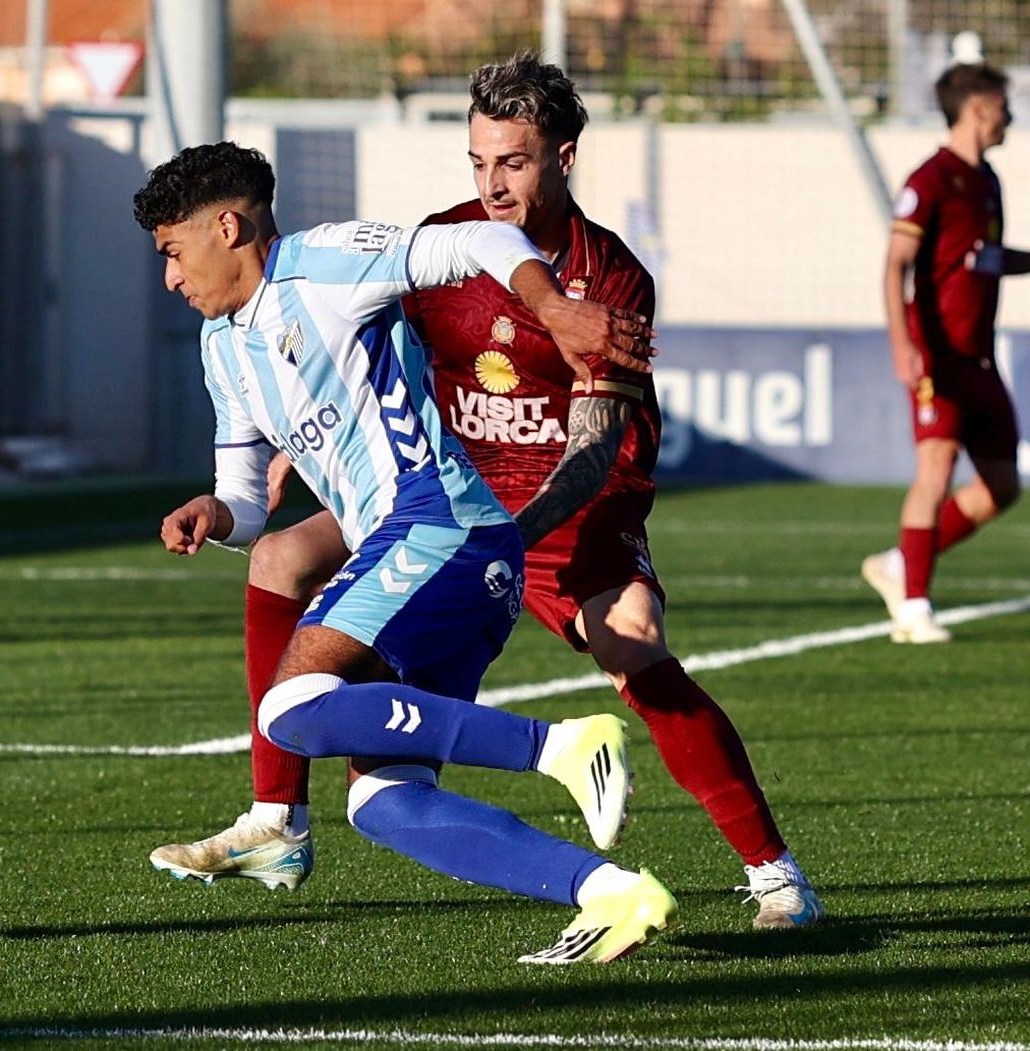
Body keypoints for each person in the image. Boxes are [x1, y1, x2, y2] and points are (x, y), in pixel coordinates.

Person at [148, 54, 824, 930]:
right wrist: (276, 454)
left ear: (564, 156)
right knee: (280, 554)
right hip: (444, 488)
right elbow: (349, 354)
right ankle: (278, 816)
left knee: (633, 640)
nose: (493, 184)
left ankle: (774, 872)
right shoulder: (442, 245)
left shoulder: (609, 277)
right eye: (479, 162)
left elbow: (594, 448)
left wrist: (507, 529)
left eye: (514, 161)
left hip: (562, 499)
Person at [135, 140, 676, 964]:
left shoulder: (325, 263)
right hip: (436, 557)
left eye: (174, 253)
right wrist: (216, 510)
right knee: (386, 801)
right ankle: (610, 892)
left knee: (291, 707)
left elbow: (481, 242)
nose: (171, 278)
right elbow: (246, 497)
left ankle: (560, 745)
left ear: (228, 226)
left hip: (440, 528)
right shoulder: (221, 350)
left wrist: (557, 306)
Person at [863, 62, 1024, 644]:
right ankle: (913, 608)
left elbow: (983, 257)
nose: (1011, 114)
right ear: (978, 108)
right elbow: (896, 265)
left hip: (978, 357)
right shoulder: (930, 178)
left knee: (1002, 485)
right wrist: (903, 344)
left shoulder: (988, 180)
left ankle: (901, 563)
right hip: (936, 355)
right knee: (935, 467)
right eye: (1004, 104)